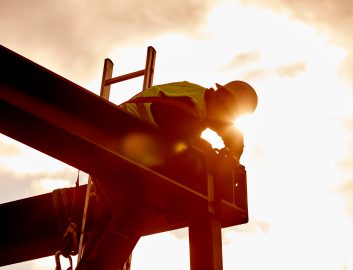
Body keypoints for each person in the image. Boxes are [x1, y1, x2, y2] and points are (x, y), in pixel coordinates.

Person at [75, 80, 258, 270]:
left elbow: (231, 133)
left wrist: (234, 156)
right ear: (222, 101)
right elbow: (181, 148)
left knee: (111, 217)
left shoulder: (202, 101)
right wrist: (206, 158)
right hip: (115, 145)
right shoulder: (188, 107)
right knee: (131, 214)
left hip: (114, 147)